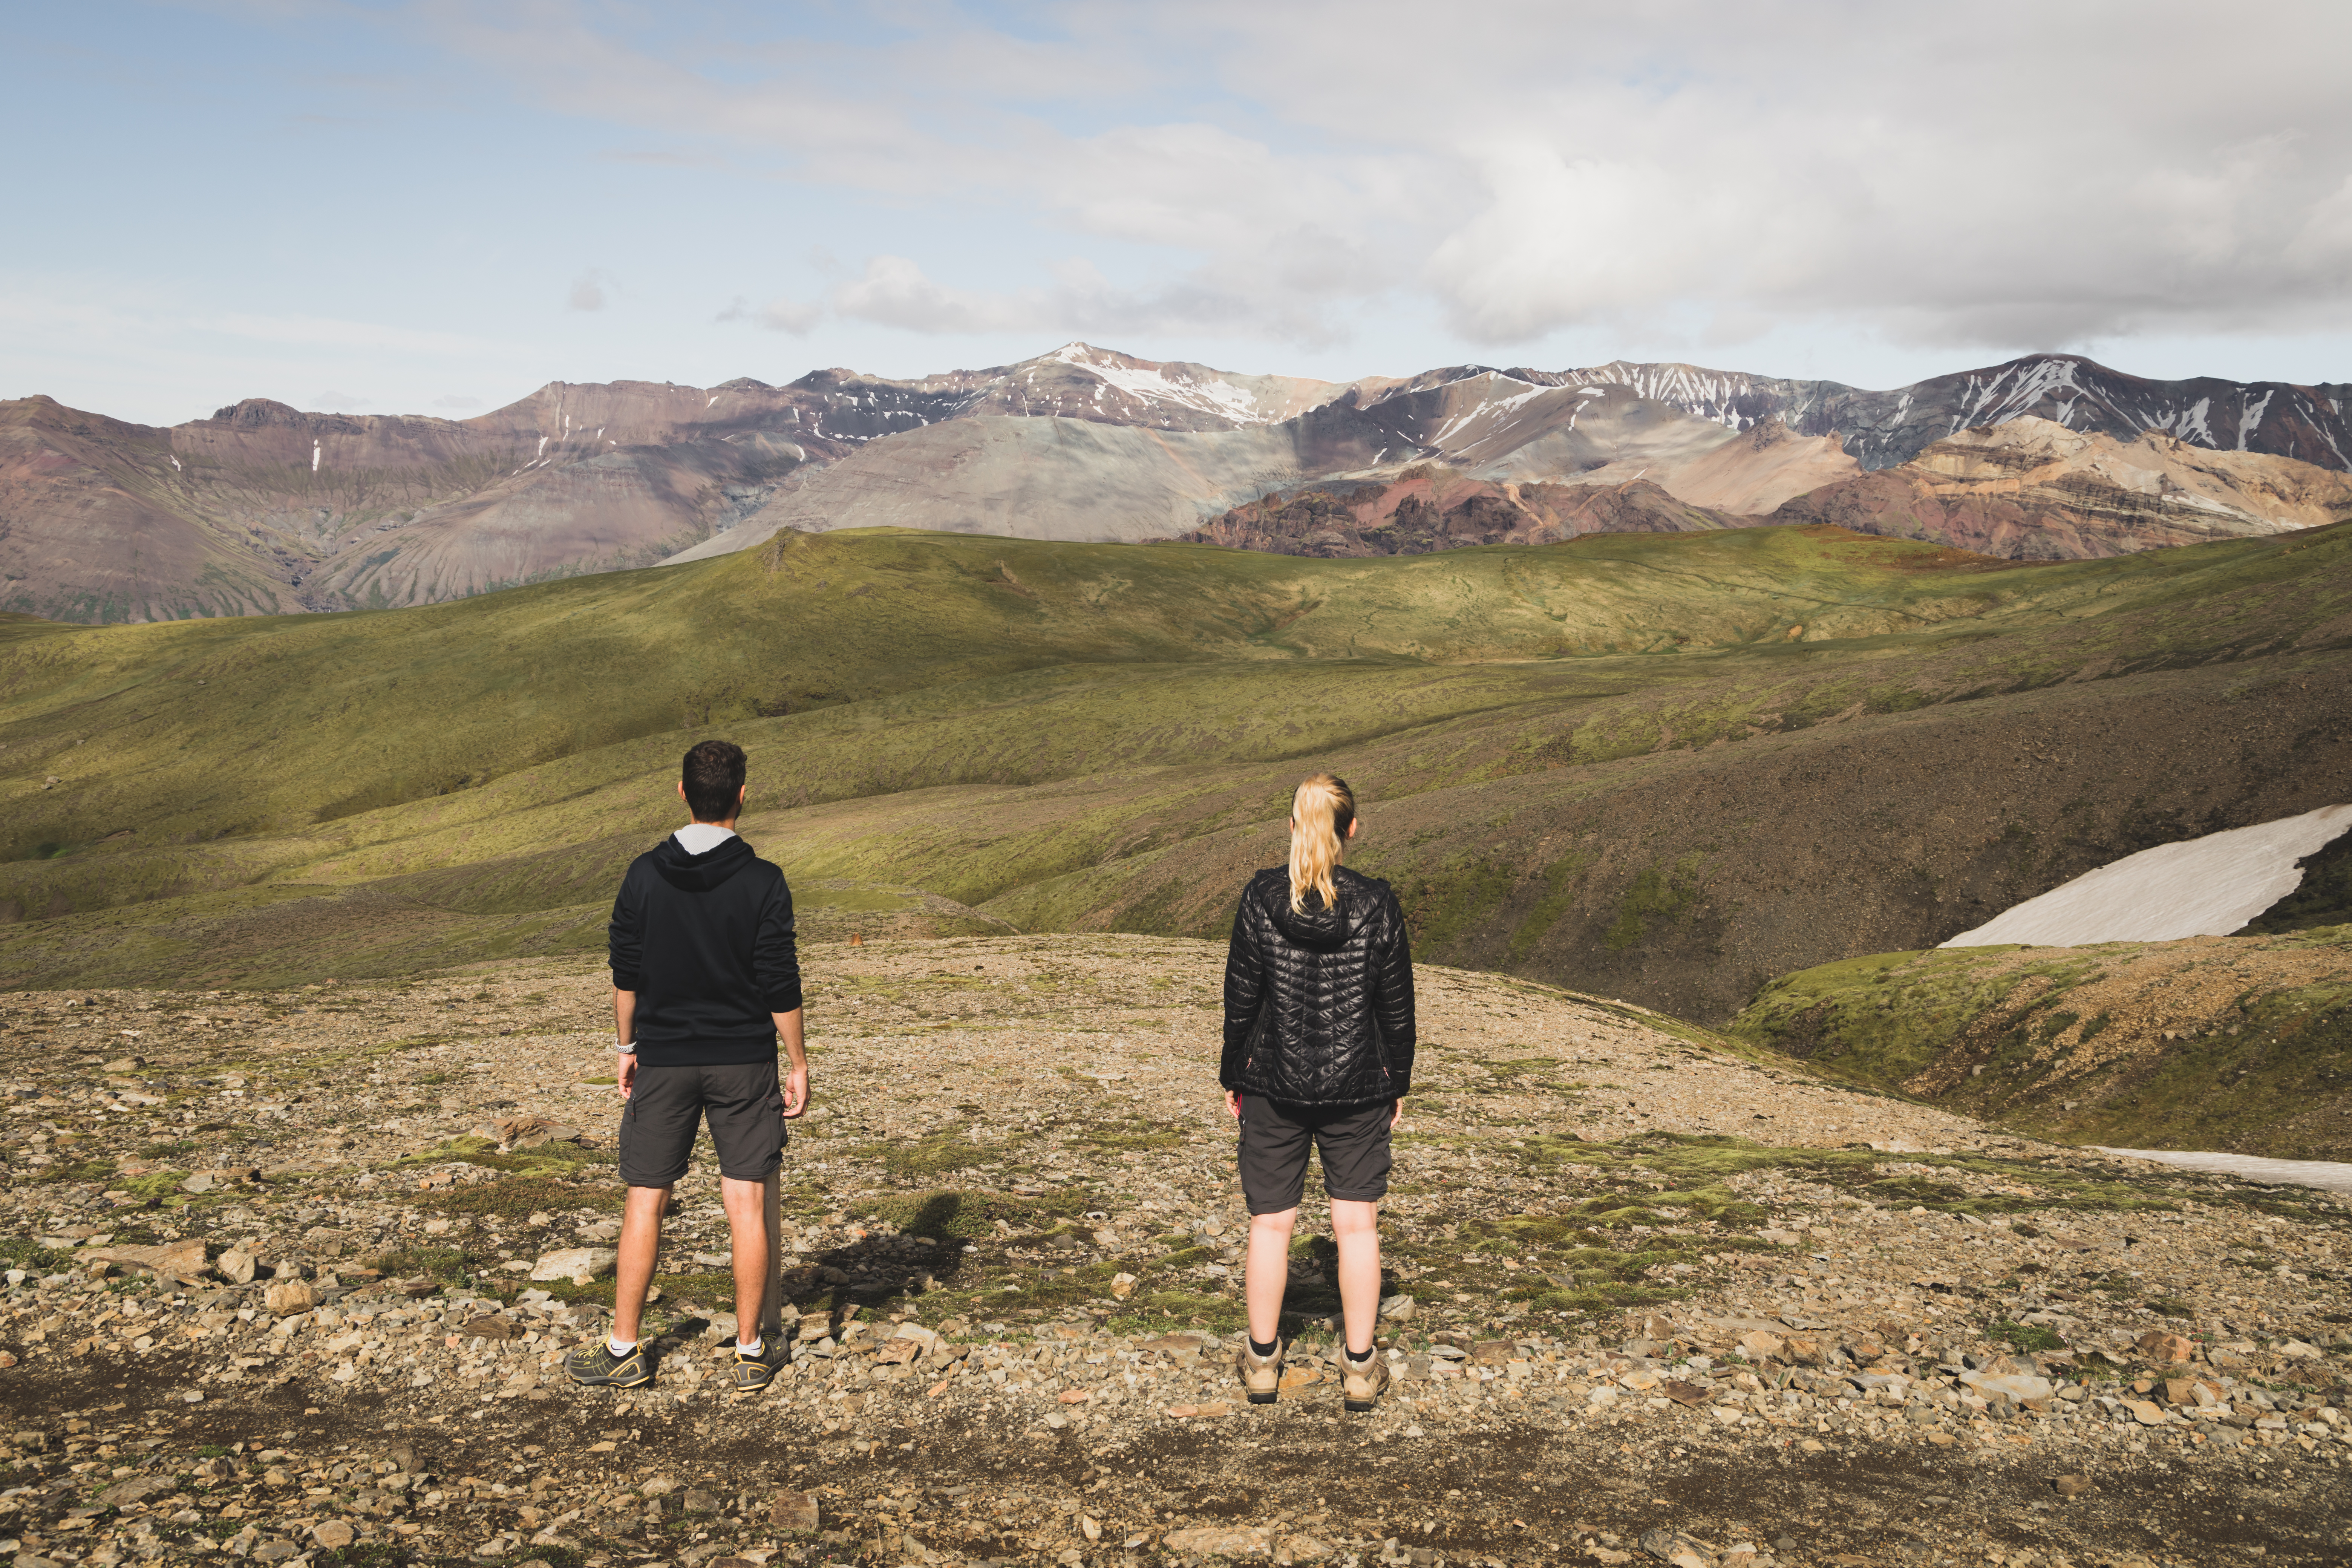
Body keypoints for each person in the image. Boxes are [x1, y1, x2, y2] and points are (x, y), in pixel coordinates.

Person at [566, 739, 810, 1395]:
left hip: (665, 1058)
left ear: (681, 792)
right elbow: (779, 982)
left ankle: (623, 1349)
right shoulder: (764, 881)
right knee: (746, 1203)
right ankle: (753, 1349)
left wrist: (626, 1049)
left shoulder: (643, 875)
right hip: (741, 1059)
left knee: (646, 1200)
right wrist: (799, 1061)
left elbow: (627, 975)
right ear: (742, 795)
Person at [1220, 772, 1415, 1413]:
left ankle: (1262, 1363)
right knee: (1356, 1227)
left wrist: (1233, 1073)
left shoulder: (1259, 897)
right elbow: (1397, 1008)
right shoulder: (1377, 904)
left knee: (1271, 1225)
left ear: (1295, 826)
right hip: (1357, 1085)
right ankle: (1359, 1369)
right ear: (1350, 829)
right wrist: (1398, 1082)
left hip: (1273, 1083)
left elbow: (1242, 996)